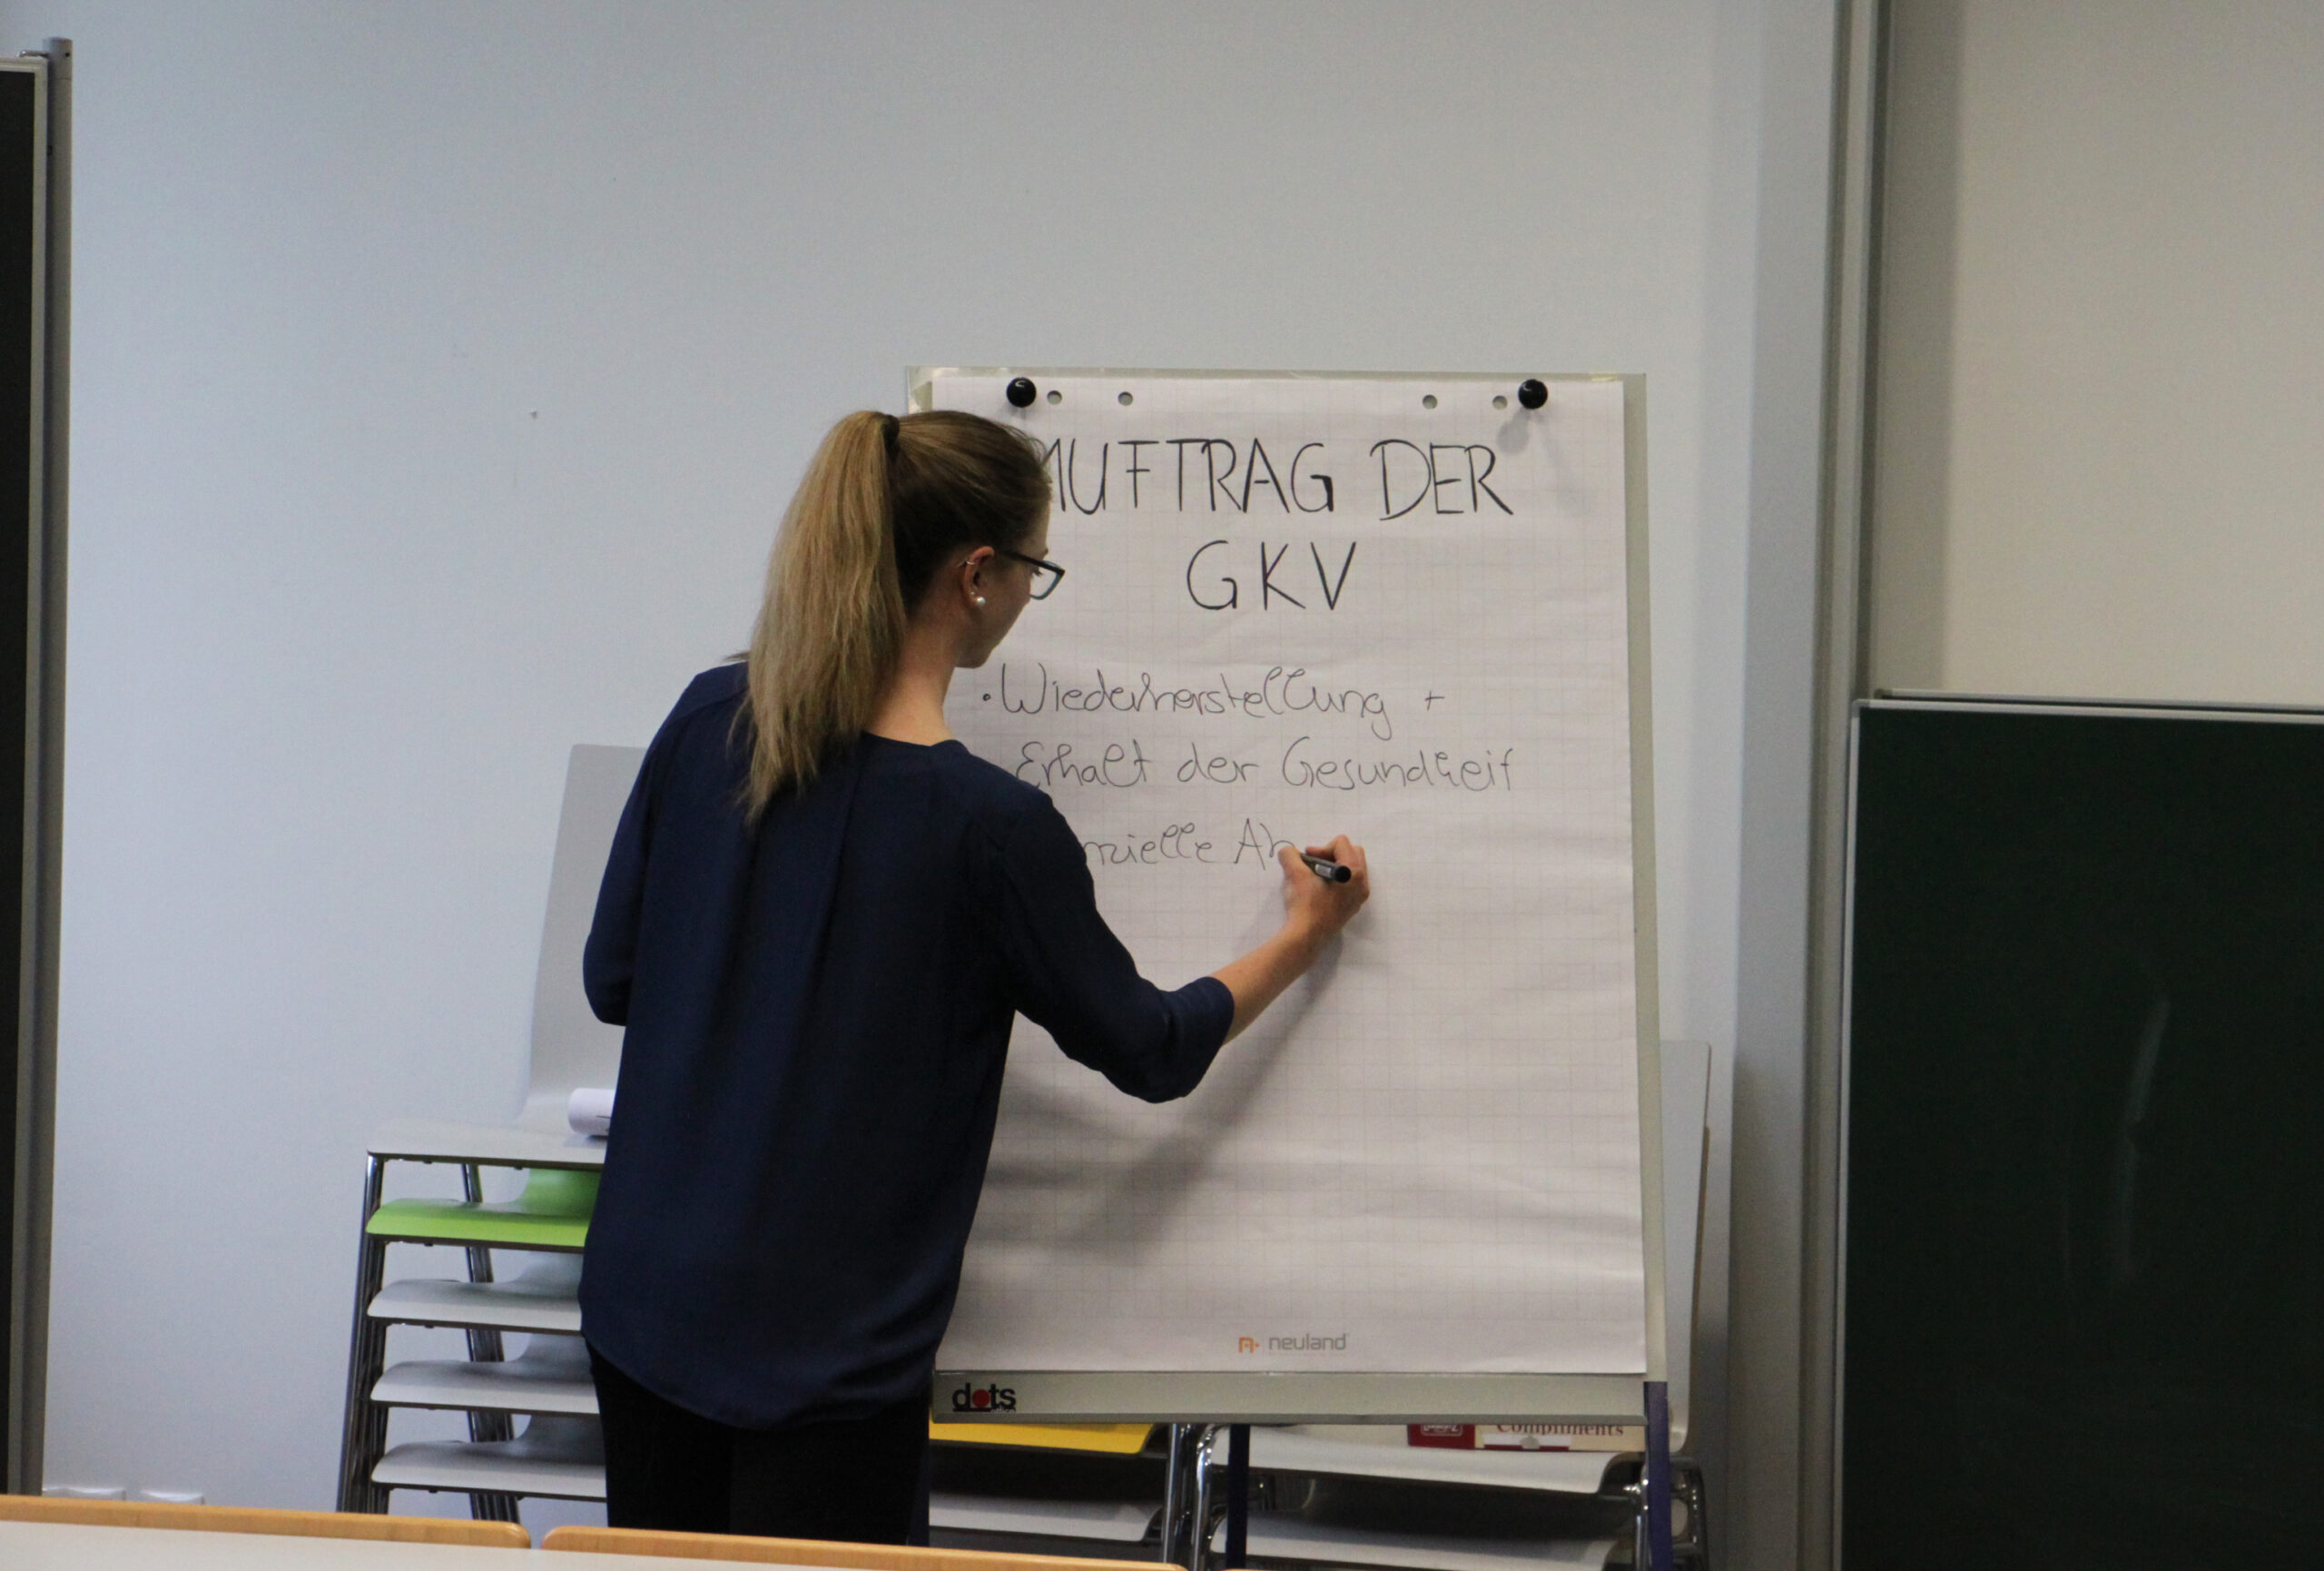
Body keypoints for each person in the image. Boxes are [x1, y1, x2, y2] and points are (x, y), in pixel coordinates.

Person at [576, 409, 1369, 1544]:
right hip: (825, 1360)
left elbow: (615, 980)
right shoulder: (990, 829)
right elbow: (1149, 1050)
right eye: (1035, 567)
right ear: (978, 574)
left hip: (643, 1311)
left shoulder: (709, 718)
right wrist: (1303, 932)